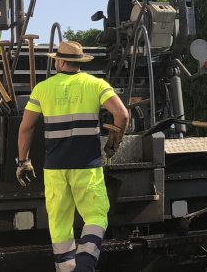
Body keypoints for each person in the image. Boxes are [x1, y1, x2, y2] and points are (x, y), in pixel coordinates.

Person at [16, 41, 129, 272]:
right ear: (79, 62)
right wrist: (113, 143)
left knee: (59, 225)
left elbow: (26, 128)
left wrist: (23, 162)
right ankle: (86, 265)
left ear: (59, 61)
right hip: (87, 166)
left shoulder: (42, 88)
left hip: (55, 169)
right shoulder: (95, 84)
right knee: (96, 216)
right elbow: (122, 114)